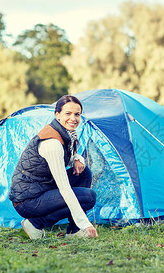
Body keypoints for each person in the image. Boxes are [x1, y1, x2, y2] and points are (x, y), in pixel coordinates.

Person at [9, 95, 98, 239]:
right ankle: (35, 223)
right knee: (89, 197)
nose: (73, 119)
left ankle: (73, 231)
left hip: (42, 188)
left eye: (77, 114)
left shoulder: (65, 133)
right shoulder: (52, 143)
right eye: (67, 114)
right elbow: (64, 188)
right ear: (57, 115)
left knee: (84, 173)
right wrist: (85, 223)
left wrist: (77, 158)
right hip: (27, 200)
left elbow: (69, 155)